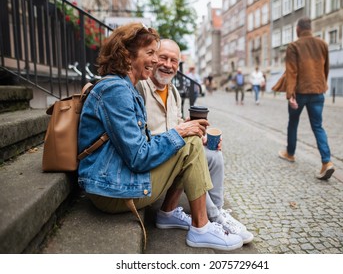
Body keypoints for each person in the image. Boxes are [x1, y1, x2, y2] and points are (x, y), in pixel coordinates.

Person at [77, 23, 243, 251]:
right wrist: (180, 132)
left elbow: (140, 146)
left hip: (114, 180)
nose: (156, 61)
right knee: (189, 143)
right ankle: (201, 227)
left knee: (189, 142)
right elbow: (138, 157)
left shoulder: (124, 88)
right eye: (151, 53)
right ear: (127, 54)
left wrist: (182, 131)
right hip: (110, 191)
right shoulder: (116, 90)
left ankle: (189, 218)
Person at [136, 39, 254, 244]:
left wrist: (194, 129)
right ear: (153, 58)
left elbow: (175, 123)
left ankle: (217, 211)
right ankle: (213, 218)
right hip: (153, 159)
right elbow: (142, 139)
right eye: (163, 57)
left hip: (170, 151)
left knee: (213, 153)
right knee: (191, 149)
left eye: (174, 61)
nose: (168, 64)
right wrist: (184, 132)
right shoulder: (140, 87)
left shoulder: (172, 91)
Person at [278, 17, 335, 180]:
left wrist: (290, 94)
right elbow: (326, 68)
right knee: (318, 126)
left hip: (300, 92)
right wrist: (321, 85)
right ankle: (327, 162)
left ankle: (290, 153)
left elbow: (292, 72)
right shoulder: (322, 44)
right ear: (310, 28)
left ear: (298, 29)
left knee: (293, 123)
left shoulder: (294, 46)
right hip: (317, 91)